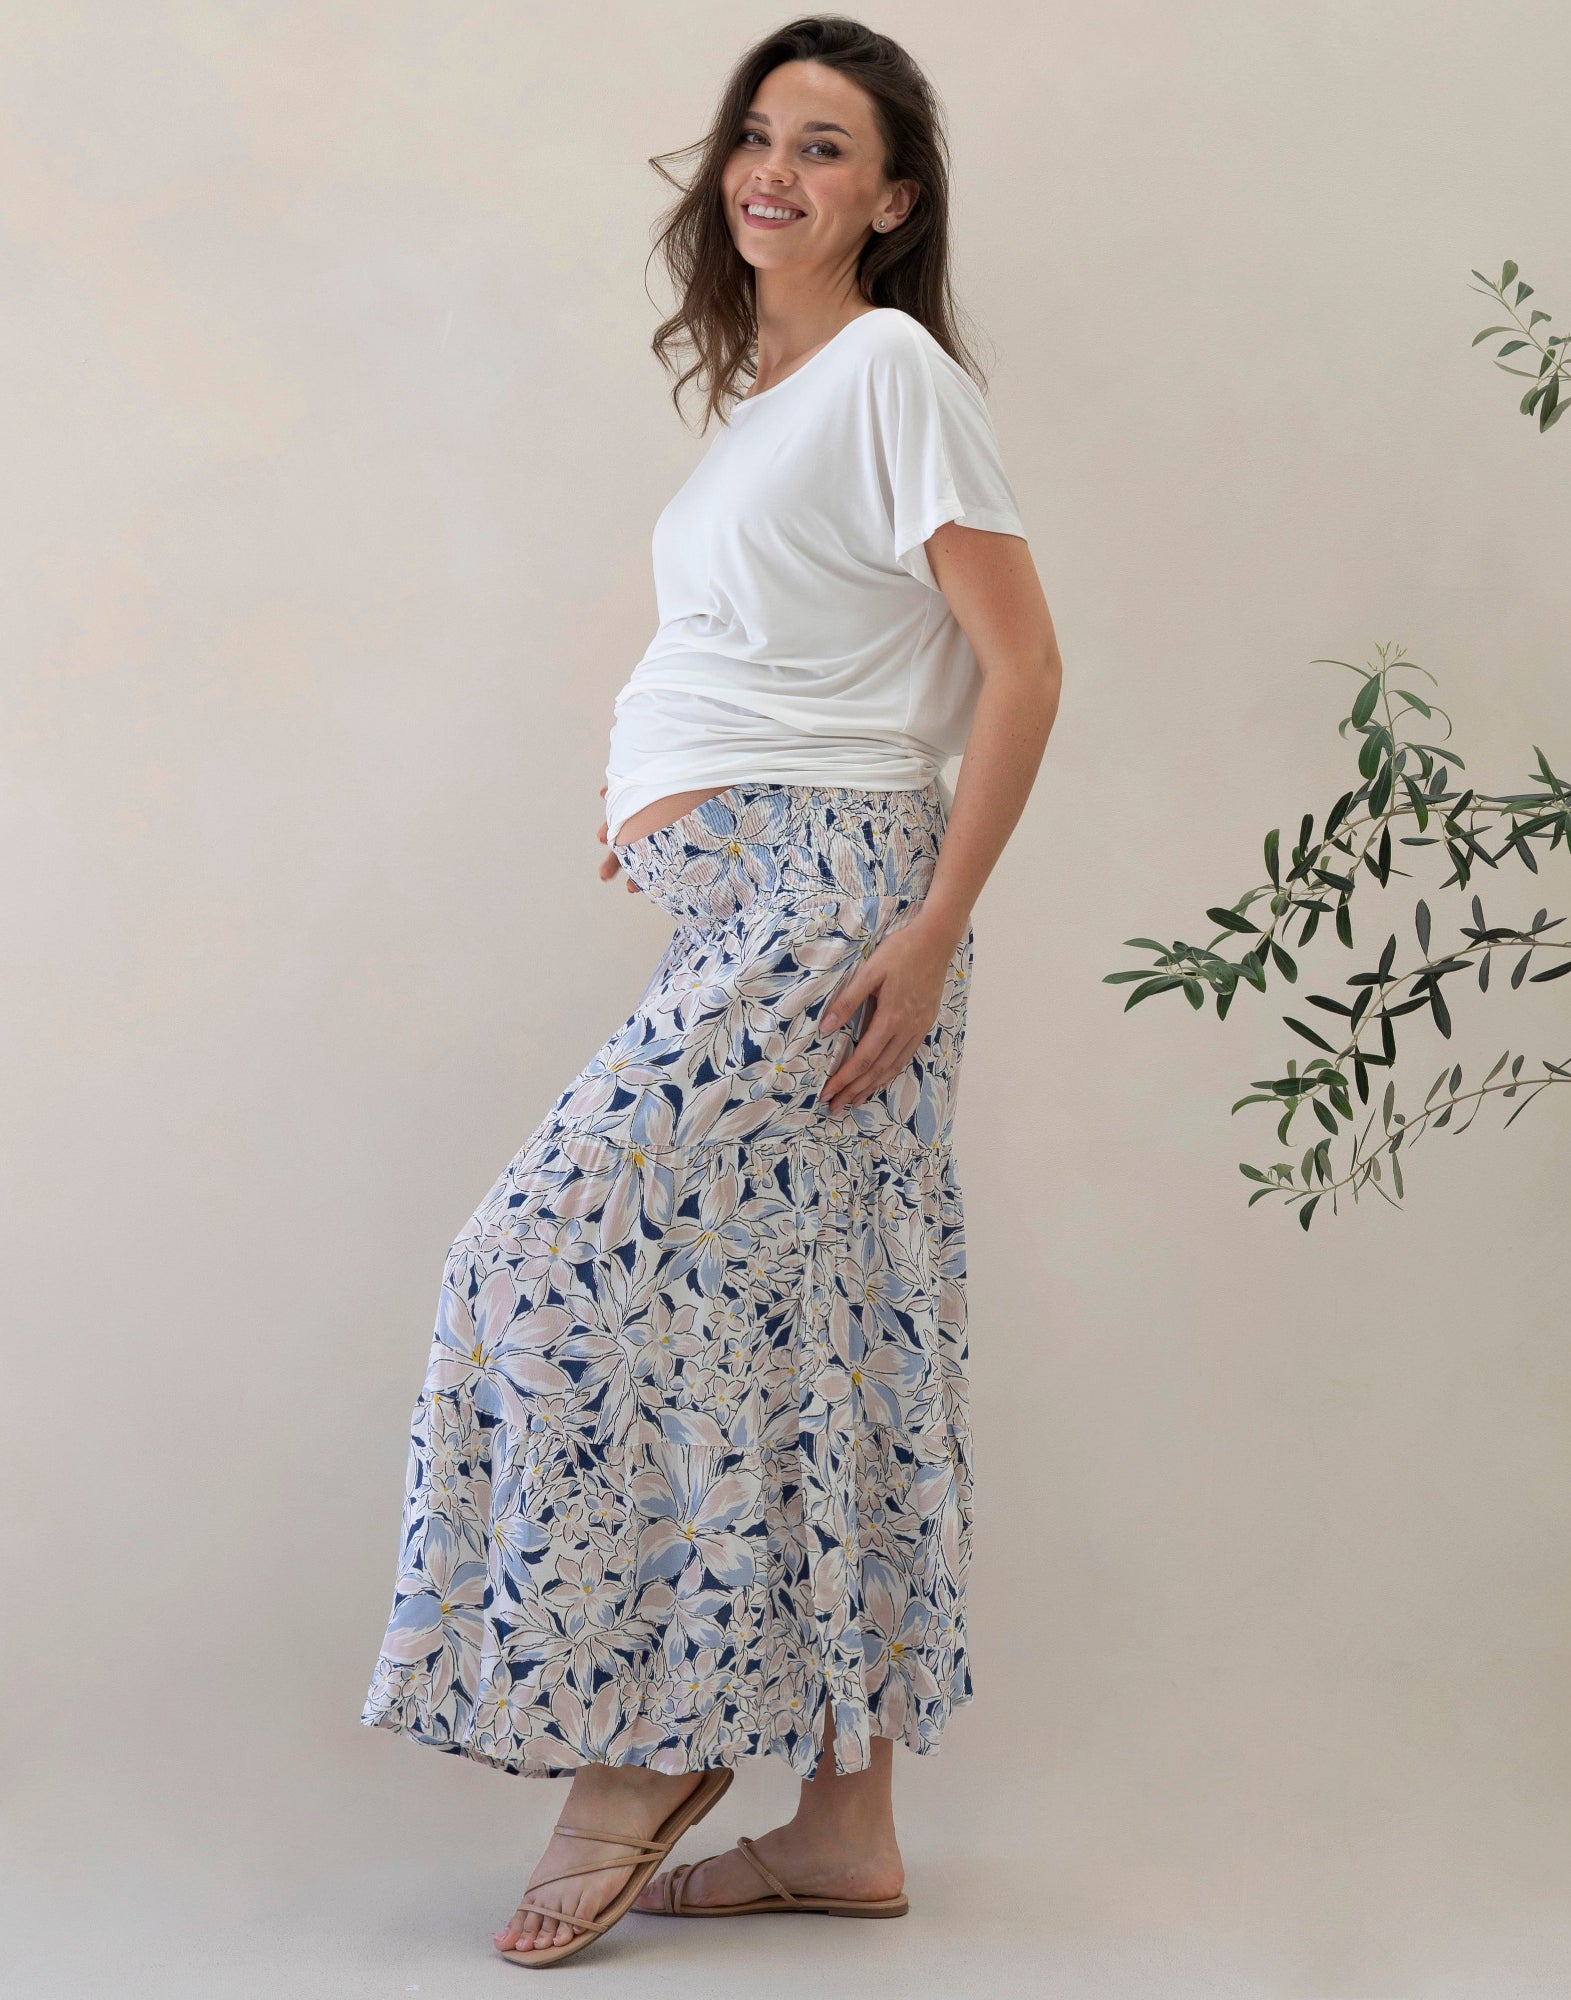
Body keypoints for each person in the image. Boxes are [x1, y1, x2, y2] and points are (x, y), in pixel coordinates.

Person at [359, 14, 1061, 1969]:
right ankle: (842, 1826)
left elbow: (1020, 667)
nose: (776, 170)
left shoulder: (892, 368)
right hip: (752, 890)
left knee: (533, 1256)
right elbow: (793, 643)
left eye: (824, 148)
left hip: (829, 908)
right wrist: (662, 799)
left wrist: (917, 926)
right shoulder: (773, 394)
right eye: (756, 135)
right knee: (823, 1323)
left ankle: (642, 1747)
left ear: (890, 200)